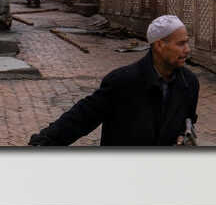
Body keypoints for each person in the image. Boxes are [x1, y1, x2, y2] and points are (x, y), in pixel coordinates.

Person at [28, 14, 199, 147]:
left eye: (187, 43)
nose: (187, 49)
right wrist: (44, 142)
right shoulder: (123, 82)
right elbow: (83, 116)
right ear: (160, 45)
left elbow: (188, 120)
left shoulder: (189, 83)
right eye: (181, 44)